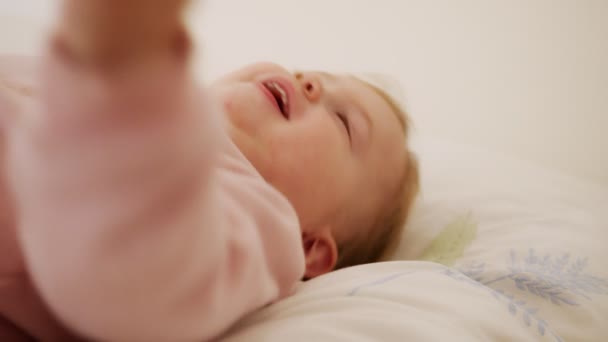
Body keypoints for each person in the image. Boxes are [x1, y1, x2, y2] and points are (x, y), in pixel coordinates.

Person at [0, 0, 419, 340]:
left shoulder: (260, 223)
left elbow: (133, 276)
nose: (310, 82)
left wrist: (116, 57)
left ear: (311, 248)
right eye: (305, 72)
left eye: (344, 121)